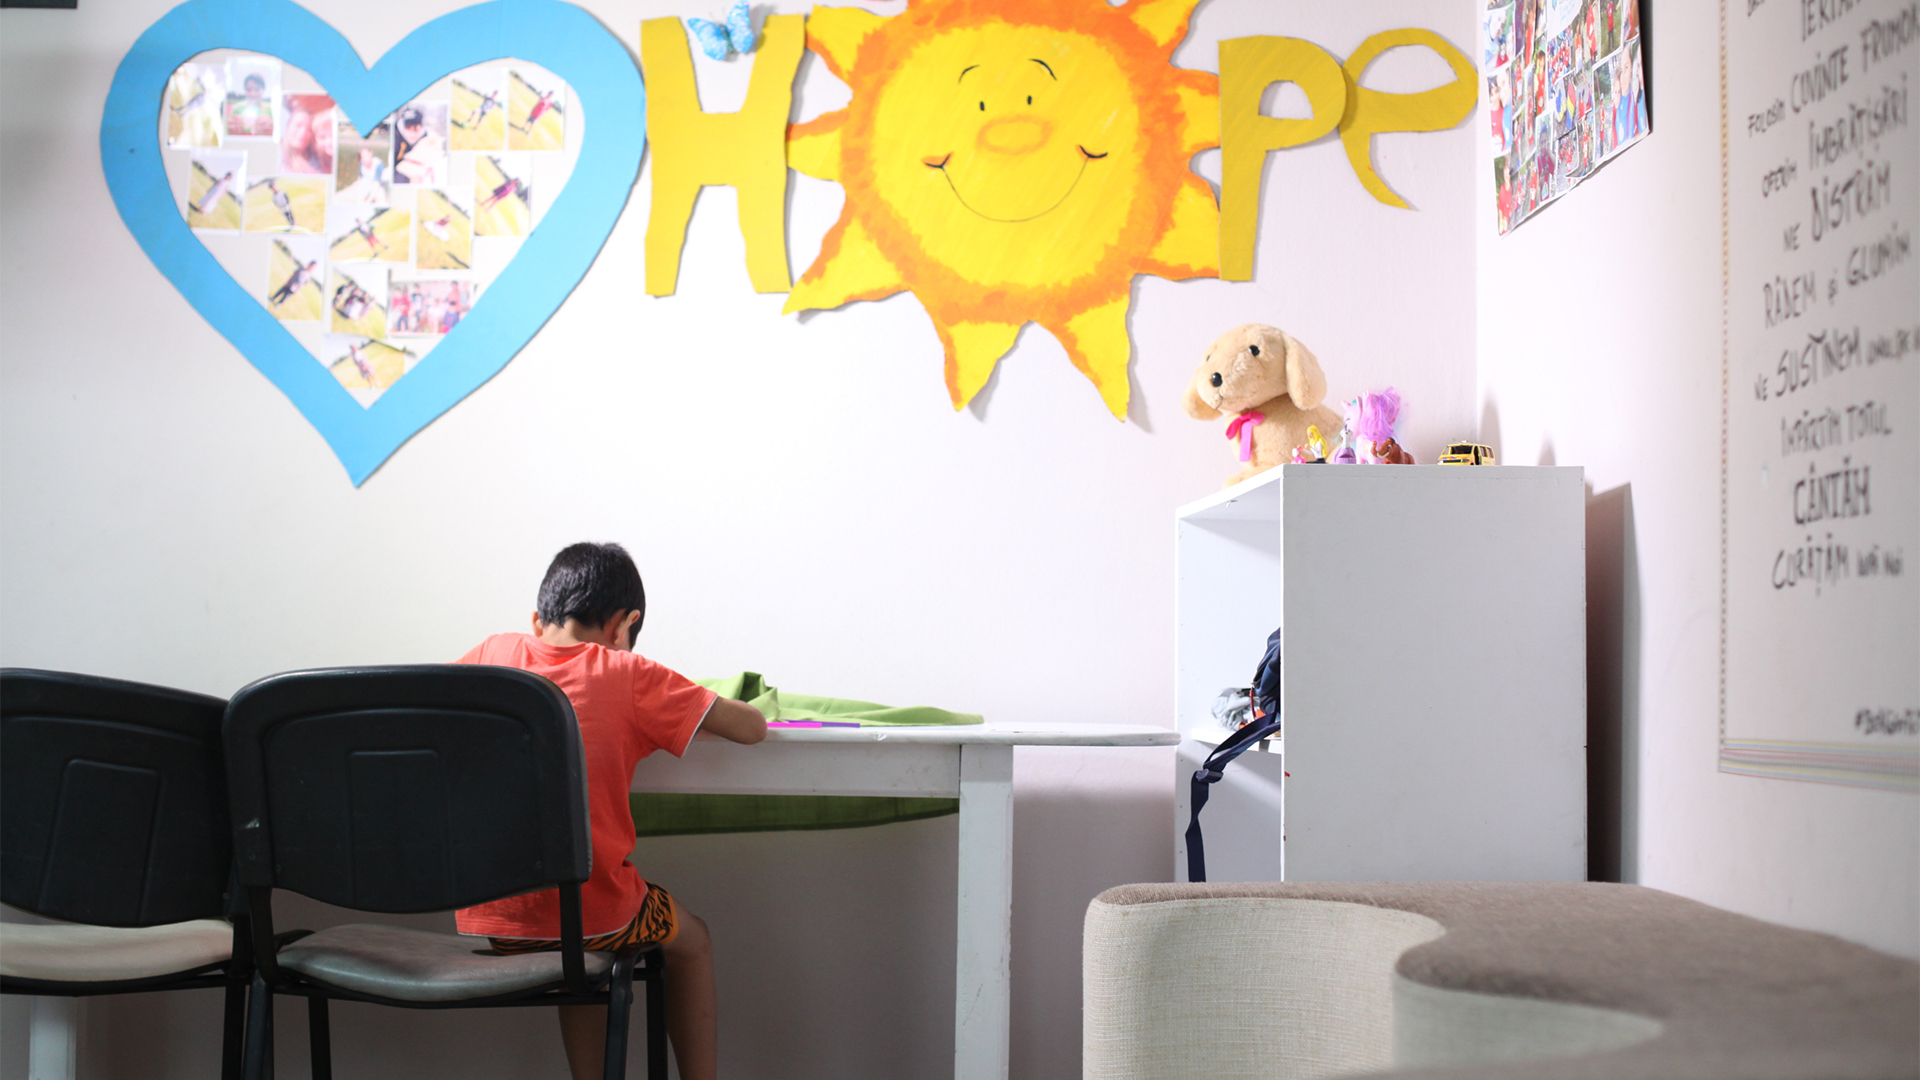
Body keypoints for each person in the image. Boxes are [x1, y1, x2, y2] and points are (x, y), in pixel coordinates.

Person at [455, 543, 765, 1080]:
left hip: (495, 920)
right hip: (599, 918)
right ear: (625, 626)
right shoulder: (628, 673)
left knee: (575, 946)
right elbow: (751, 728)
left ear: (537, 620)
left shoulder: (489, 655)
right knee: (692, 941)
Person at [393, 105, 444, 185]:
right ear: (402, 128)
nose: (412, 134)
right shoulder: (395, 141)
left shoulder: (425, 140)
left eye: (416, 129)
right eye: (409, 129)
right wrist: (407, 179)